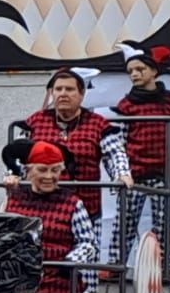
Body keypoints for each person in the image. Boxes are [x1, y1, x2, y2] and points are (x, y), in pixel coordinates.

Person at [111, 43, 170, 263]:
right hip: (135, 173)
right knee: (126, 219)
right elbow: (120, 141)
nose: (134, 74)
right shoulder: (126, 105)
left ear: (153, 71)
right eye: (131, 71)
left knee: (165, 220)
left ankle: (165, 263)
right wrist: (121, 171)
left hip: (164, 171)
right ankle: (115, 263)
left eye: (139, 69)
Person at [14, 69, 130, 228]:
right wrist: (13, 174)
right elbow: (18, 154)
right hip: (41, 207)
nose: (63, 94)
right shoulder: (36, 121)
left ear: (81, 94)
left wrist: (122, 174)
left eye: (69, 89)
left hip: (86, 207)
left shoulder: (97, 123)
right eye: (58, 89)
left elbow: (115, 153)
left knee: (86, 249)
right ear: (52, 93)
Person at [0, 138, 100, 293]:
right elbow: (1, 237)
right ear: (29, 171)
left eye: (55, 170)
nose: (49, 176)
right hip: (20, 285)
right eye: (42, 170)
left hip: (59, 285)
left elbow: (88, 242)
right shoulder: (13, 200)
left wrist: (69, 263)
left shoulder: (72, 203)